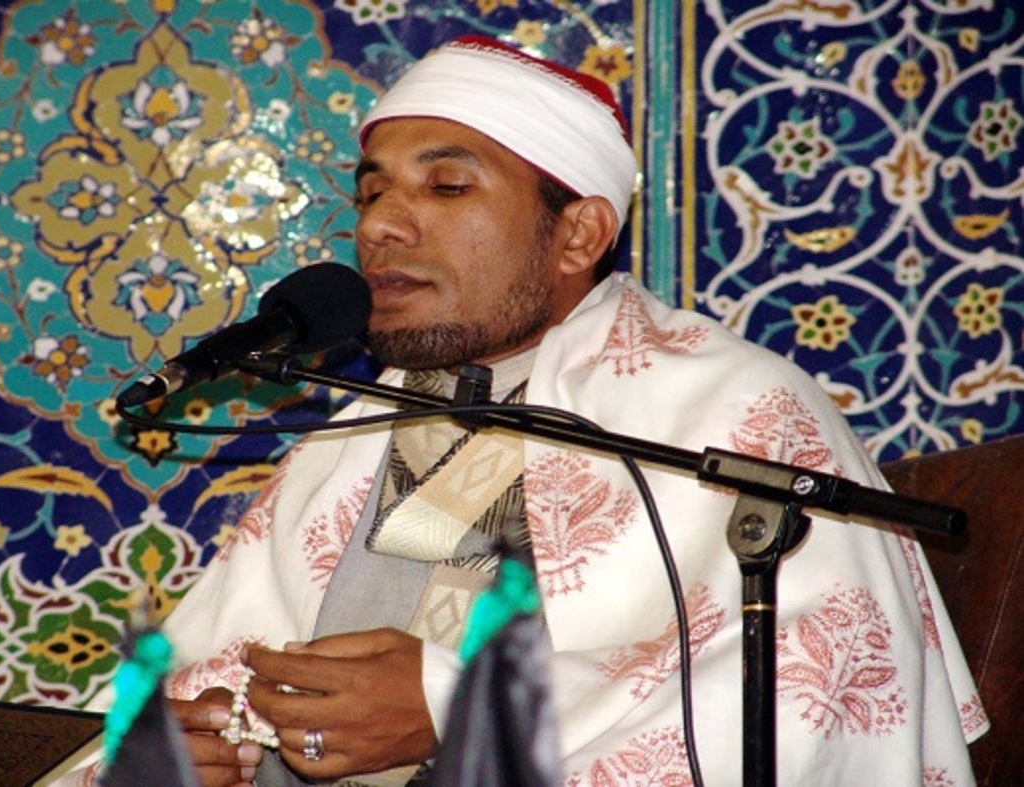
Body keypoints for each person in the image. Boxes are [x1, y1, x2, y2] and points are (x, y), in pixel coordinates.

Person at [62, 36, 986, 786]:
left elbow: (817, 702)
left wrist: (451, 706)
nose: (380, 225)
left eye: (446, 186)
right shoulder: (353, 435)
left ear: (579, 232)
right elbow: (208, 684)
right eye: (372, 191)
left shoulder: (736, 412)